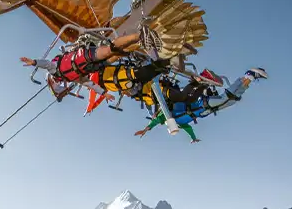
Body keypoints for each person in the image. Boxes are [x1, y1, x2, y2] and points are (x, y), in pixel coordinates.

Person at [134, 67, 267, 141]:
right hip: (206, 110)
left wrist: (146, 129)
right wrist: (193, 138)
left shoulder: (168, 115)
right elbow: (189, 130)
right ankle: (249, 78)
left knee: (224, 98)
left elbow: (156, 121)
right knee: (232, 100)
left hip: (203, 104)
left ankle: (249, 74)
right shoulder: (181, 123)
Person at [21, 30, 144, 101]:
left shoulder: (54, 69)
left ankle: (140, 34)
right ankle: (139, 43)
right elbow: (89, 83)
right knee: (116, 56)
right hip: (92, 66)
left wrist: (34, 62)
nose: (58, 83)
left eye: (55, 84)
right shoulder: (70, 78)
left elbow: (46, 64)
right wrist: (103, 93)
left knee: (108, 50)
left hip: (83, 56)